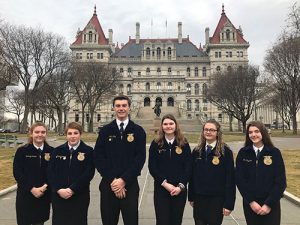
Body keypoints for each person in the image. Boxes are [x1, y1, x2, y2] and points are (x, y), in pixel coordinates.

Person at [94, 95, 146, 225]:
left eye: (124, 106)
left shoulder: (138, 131)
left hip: (130, 185)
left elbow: (140, 159)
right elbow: (99, 157)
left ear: (129, 108)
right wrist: (113, 181)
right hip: (108, 185)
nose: (121, 108)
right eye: (118, 106)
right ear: (113, 108)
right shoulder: (105, 131)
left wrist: (123, 180)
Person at [236, 121, 286, 225]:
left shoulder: (274, 152)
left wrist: (269, 204)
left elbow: (280, 181)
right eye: (250, 132)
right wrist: (251, 202)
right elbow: (240, 180)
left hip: (271, 204)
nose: (253, 135)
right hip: (251, 205)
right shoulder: (243, 153)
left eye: (256, 131)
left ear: (263, 132)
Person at [188, 119, 235, 225]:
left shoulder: (225, 152)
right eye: (206, 130)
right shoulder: (197, 151)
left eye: (212, 130)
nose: (208, 132)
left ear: (217, 133)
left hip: (217, 199)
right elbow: (192, 176)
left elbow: (230, 179)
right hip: (199, 198)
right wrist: (191, 196)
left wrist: (229, 204)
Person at [148, 114, 192, 225]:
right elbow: (152, 167)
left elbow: (188, 167)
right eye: (165, 124)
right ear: (161, 126)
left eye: (171, 123)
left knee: (176, 221)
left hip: (179, 189)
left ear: (176, 125)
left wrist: (180, 186)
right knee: (162, 221)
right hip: (161, 188)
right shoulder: (156, 143)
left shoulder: (184, 143)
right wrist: (165, 183)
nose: (168, 126)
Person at [48, 122, 95, 225]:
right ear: (66, 135)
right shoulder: (57, 151)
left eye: (75, 133)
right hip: (59, 196)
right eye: (69, 133)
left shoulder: (88, 151)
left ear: (80, 134)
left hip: (79, 196)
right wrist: (59, 189)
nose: (72, 136)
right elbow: (51, 173)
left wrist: (72, 189)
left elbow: (88, 173)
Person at [13, 122, 53, 225]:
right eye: (37, 132)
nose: (40, 134)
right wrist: (31, 188)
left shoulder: (52, 151)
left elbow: (54, 173)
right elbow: (17, 173)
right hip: (25, 195)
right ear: (31, 133)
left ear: (46, 134)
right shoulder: (22, 151)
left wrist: (44, 187)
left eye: (43, 132)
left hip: (43, 195)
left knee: (39, 222)